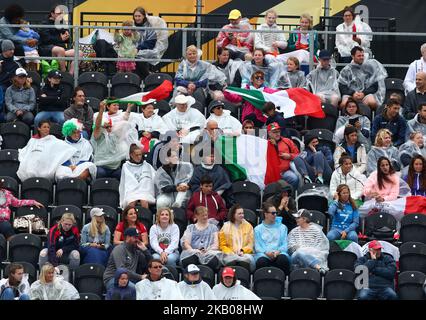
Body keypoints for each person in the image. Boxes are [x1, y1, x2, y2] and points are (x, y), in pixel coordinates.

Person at [339, 46, 387, 110]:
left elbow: (374, 86)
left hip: (366, 94)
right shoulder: (346, 70)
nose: (361, 57)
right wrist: (353, 93)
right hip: (351, 95)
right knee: (343, 104)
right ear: (353, 56)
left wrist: (364, 93)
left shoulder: (370, 69)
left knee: (372, 102)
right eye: (359, 56)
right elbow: (342, 86)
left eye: (362, 55)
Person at [38, 5, 81, 74]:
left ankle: (70, 75)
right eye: (58, 13)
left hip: (61, 49)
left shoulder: (62, 23)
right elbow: (46, 39)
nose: (61, 15)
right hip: (47, 48)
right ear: (52, 14)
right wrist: (60, 38)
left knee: (79, 53)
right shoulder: (44, 24)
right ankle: (63, 72)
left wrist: (67, 36)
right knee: (60, 50)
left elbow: (68, 40)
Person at [91, 100, 126, 179]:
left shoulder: (114, 135)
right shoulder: (97, 135)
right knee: (100, 173)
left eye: (110, 126)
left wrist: (129, 109)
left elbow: (125, 122)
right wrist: (101, 110)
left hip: (115, 168)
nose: (109, 128)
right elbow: (97, 125)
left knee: (123, 175)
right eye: (107, 127)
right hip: (101, 167)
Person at [288, 209, 329, 274]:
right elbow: (290, 248)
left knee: (302, 253)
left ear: (305, 219)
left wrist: (307, 252)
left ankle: (310, 271)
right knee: (299, 253)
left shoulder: (317, 231)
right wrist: (304, 250)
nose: (296, 219)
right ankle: (318, 267)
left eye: (298, 218)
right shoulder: (293, 232)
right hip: (296, 258)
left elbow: (323, 248)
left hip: (314, 256)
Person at [254, 202, 291, 275]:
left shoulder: (283, 227)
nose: (275, 215)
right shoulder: (258, 229)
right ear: (266, 214)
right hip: (264, 254)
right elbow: (257, 245)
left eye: (276, 213)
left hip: (279, 253)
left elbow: (285, 243)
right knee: (261, 262)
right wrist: (266, 252)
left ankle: (282, 282)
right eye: (273, 213)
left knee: (283, 260)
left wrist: (278, 251)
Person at [219, 204, 255, 272]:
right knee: (231, 263)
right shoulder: (225, 227)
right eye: (239, 213)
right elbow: (222, 245)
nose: (242, 215)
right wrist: (231, 252)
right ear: (233, 215)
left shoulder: (248, 226)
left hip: (244, 255)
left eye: (242, 213)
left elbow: (251, 243)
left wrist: (242, 251)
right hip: (229, 254)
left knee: (243, 263)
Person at [119, 144, 156, 209]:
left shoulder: (147, 165)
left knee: (144, 202)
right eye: (136, 155)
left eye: (140, 155)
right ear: (131, 155)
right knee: (132, 202)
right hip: (131, 192)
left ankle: (145, 218)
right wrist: (122, 200)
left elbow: (154, 178)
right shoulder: (125, 166)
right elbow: (123, 183)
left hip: (145, 192)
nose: (139, 157)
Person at [267, 122, 300, 190]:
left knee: (294, 178)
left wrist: (289, 156)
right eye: (275, 132)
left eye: (278, 131)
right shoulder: (265, 143)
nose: (277, 134)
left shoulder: (287, 141)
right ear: (269, 133)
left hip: (285, 171)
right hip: (270, 173)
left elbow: (298, 155)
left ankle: (290, 196)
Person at [132, 7, 157, 79]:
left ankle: (148, 77)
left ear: (143, 16)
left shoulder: (150, 27)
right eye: (135, 16)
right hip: (132, 51)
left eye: (139, 16)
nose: (137, 18)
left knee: (140, 59)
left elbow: (151, 42)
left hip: (145, 50)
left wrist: (138, 48)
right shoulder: (131, 25)